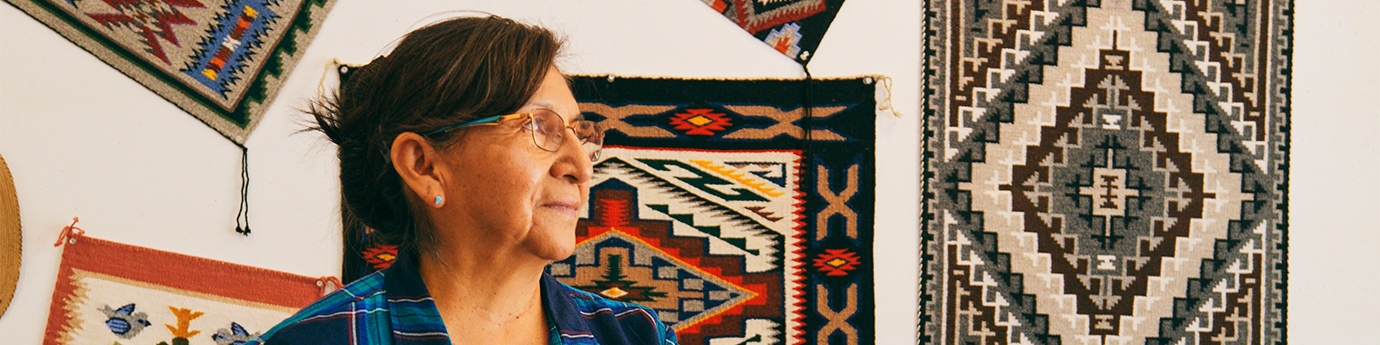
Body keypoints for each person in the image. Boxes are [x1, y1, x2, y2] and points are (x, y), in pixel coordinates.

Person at [247, 15, 677, 345]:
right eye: (540, 127)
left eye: (580, 135)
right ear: (423, 166)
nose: (581, 168)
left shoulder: (638, 335)